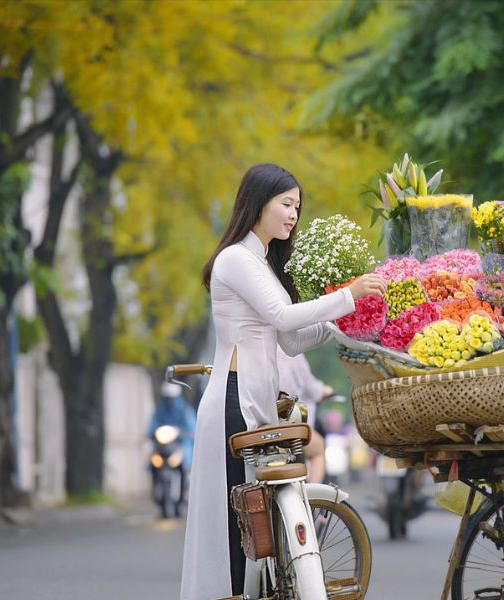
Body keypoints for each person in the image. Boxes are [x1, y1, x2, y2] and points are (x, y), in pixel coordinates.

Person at [180, 163, 386, 600]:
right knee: (236, 527)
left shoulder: (264, 264)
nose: (293, 214)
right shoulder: (235, 258)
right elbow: (283, 316)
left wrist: (345, 325)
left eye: (297, 206)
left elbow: (290, 340)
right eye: (286, 204)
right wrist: (348, 296)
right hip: (232, 402)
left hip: (256, 403)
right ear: (258, 203)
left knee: (258, 524)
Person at [275, 347, 334, 484]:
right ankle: (312, 493)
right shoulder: (289, 351)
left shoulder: (249, 348)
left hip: (256, 423)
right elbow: (312, 388)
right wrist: (326, 390)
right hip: (286, 424)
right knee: (318, 448)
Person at [149, 381, 197, 503]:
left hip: (180, 443)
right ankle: (155, 487)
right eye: (167, 398)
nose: (170, 401)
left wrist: (185, 433)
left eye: (172, 398)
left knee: (185, 458)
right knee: (153, 459)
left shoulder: (185, 411)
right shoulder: (160, 410)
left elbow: (191, 428)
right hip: (164, 445)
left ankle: (184, 489)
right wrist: (151, 433)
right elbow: (153, 425)